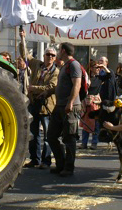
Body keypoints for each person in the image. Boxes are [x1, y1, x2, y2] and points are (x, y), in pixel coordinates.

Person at [47, 42, 83, 177]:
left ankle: (68, 167)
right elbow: (61, 86)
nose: (57, 52)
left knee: (69, 138)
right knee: (51, 136)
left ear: (63, 50)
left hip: (70, 107)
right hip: (60, 106)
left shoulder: (74, 65)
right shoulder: (64, 66)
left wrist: (70, 102)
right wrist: (47, 92)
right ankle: (60, 163)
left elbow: (77, 85)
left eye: (58, 50)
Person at [22, 43, 59, 169]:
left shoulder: (56, 71)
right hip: (34, 103)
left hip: (46, 106)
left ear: (55, 58)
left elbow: (51, 87)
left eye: (52, 55)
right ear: (44, 56)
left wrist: (34, 88)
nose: (50, 57)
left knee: (47, 135)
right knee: (33, 133)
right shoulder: (37, 64)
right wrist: (23, 39)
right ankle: (35, 159)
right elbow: (25, 55)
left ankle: (46, 160)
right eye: (48, 54)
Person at [80, 61, 101, 150]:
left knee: (96, 124)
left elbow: (109, 75)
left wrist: (103, 66)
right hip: (87, 102)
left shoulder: (100, 78)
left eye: (99, 68)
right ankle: (84, 143)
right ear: (91, 68)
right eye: (96, 67)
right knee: (86, 124)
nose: (98, 69)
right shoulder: (86, 78)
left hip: (96, 103)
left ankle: (94, 143)